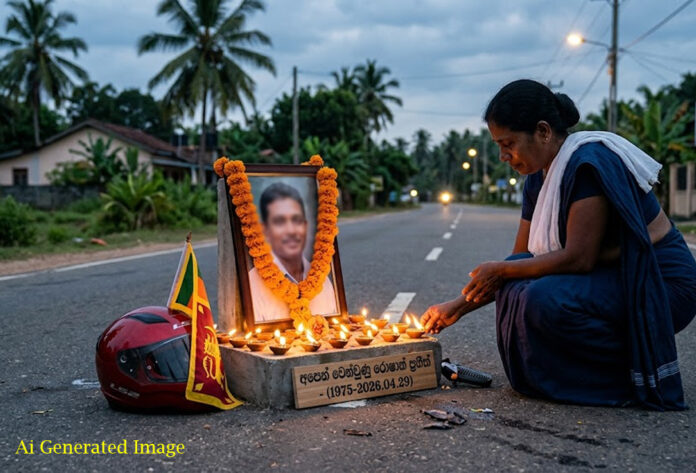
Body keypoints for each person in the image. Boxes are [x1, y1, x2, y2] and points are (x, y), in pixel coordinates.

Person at [420, 79, 696, 410]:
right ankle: (548, 376)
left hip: (660, 281)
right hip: (612, 275)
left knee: (542, 298)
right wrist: (456, 308)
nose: (503, 156)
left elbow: (579, 258)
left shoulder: (587, 163)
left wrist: (502, 271)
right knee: (514, 287)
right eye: (498, 146)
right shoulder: (537, 178)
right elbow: (519, 261)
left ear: (543, 131)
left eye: (508, 144)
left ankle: (628, 377)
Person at [248, 182, 337, 322]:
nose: (291, 231)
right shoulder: (252, 285)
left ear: (305, 226)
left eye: (297, 220)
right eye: (279, 222)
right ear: (265, 230)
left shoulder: (323, 280)